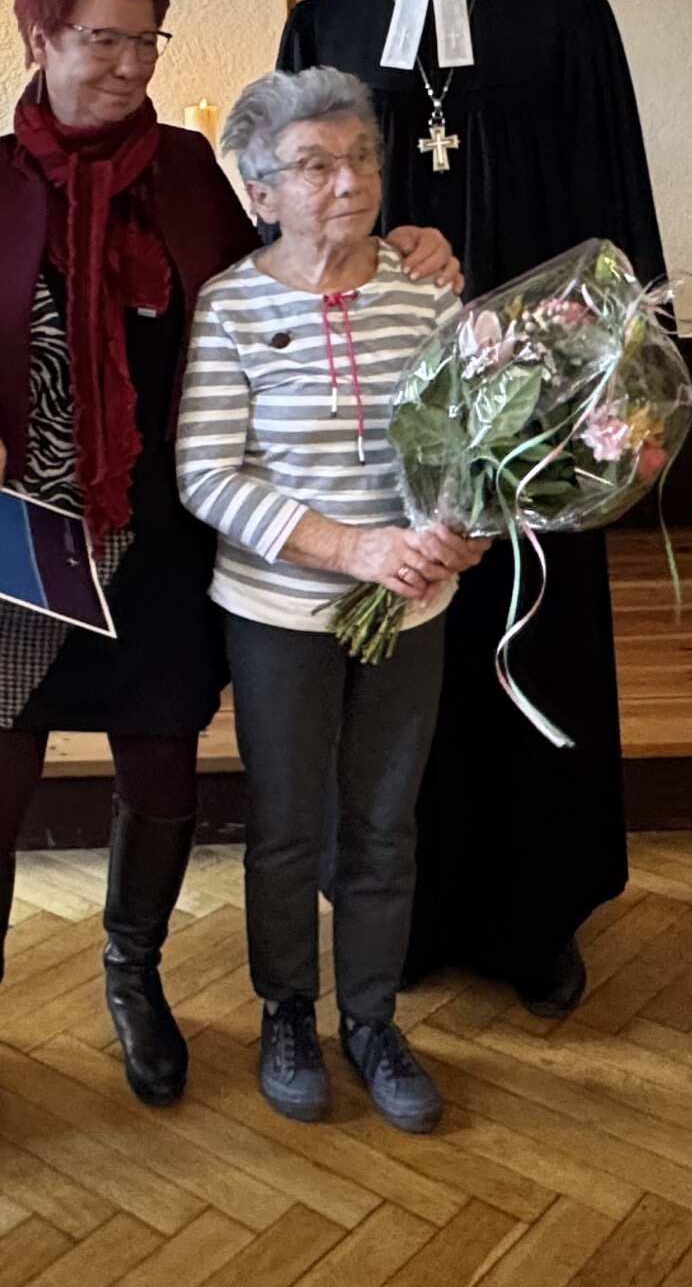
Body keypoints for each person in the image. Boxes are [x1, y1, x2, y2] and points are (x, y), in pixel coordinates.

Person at [0, 0, 456, 1168]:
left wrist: (414, 243)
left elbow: (302, 254)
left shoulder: (194, 170)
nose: (130, 65)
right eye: (103, 39)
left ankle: (134, 978)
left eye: (147, 39)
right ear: (38, 36)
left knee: (161, 775)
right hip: (28, 531)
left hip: (166, 538)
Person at [277, 0, 668, 1020]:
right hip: (384, 408)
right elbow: (292, 211)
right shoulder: (325, 24)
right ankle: (406, 912)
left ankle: (536, 919)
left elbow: (616, 197)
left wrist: (622, 381)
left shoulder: (564, 10)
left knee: (534, 644)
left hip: (545, 408)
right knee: (402, 654)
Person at [177, 67, 489, 1133]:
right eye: (315, 166)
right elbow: (206, 474)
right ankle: (286, 1011)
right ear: (261, 192)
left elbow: (471, 441)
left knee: (384, 825)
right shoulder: (231, 303)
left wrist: (463, 526)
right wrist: (351, 547)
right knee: (284, 827)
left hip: (411, 607)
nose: (348, 182)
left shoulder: (426, 289)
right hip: (278, 615)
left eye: (360, 159)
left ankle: (371, 1018)